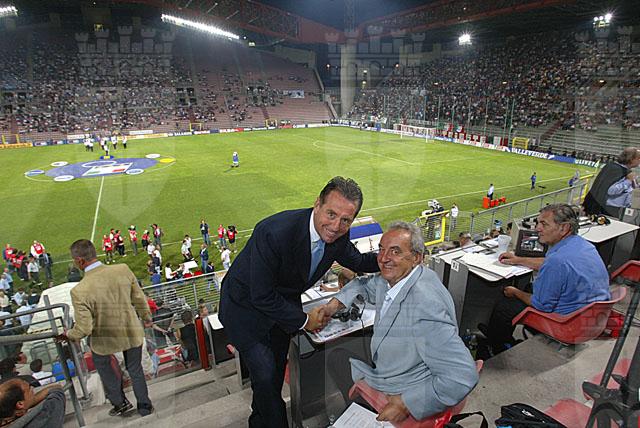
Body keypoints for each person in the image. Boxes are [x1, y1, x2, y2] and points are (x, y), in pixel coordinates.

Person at [218, 176, 379, 428]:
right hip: (244, 309)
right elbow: (261, 294)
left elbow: (357, 261)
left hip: (282, 308)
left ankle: (257, 422)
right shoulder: (273, 232)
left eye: (345, 220)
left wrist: (390, 258)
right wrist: (304, 320)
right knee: (266, 378)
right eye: (331, 214)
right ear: (317, 204)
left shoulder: (338, 236)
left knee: (269, 381)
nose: (336, 226)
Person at [320, 222, 478, 423]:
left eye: (395, 251)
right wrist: (333, 305)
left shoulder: (425, 306)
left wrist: (406, 403)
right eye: (381, 249)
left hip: (403, 386)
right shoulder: (404, 277)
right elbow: (364, 285)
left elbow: (462, 375)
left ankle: (361, 415)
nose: (383, 258)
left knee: (336, 358)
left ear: (416, 257)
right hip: (401, 366)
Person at [479, 204, 611, 356]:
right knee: (530, 288)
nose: (537, 228)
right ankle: (496, 333)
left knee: (505, 305)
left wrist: (515, 292)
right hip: (593, 318)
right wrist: (518, 260)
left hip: (569, 323)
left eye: (544, 224)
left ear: (564, 228)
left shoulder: (557, 261)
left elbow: (542, 305)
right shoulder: (582, 245)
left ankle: (496, 346)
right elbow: (553, 264)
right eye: (538, 223)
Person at [55, 239, 154, 417]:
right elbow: (139, 298)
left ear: (80, 261)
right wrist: (147, 318)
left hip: (104, 339)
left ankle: (120, 403)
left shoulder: (79, 290)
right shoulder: (122, 269)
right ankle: (144, 405)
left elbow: (84, 329)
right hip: (130, 331)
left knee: (103, 365)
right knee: (135, 368)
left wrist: (69, 334)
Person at [583, 147, 640, 217]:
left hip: (619, 208)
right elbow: (611, 191)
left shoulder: (620, 169)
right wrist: (628, 181)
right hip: (610, 210)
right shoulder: (618, 170)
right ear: (631, 159)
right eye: (638, 158)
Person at [0, 378, 65, 427]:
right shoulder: (42, 419)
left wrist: (26, 404)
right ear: (20, 404)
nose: (32, 388)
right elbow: (57, 390)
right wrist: (30, 402)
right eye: (29, 388)